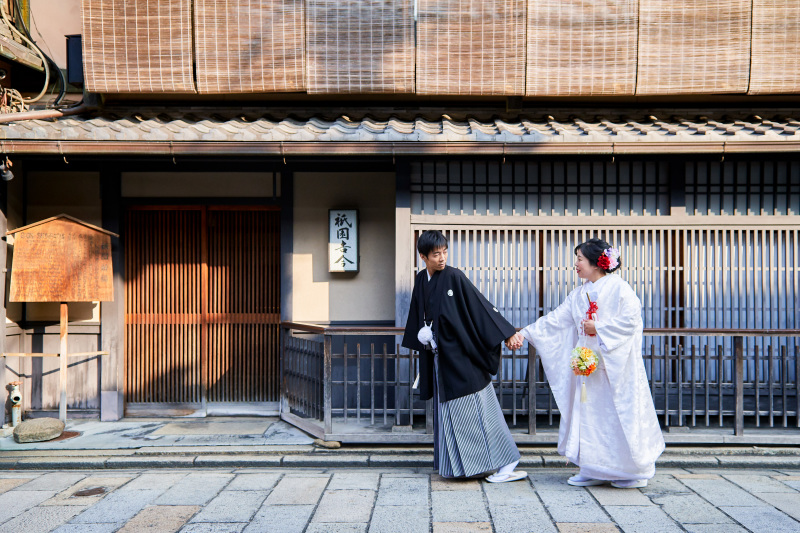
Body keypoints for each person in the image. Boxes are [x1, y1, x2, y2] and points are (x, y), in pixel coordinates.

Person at [507, 238, 664, 488]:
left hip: (615, 368)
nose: (576, 264)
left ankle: (630, 471)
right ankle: (592, 467)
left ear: (596, 262)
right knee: (588, 415)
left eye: (580, 259)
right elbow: (555, 320)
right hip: (587, 366)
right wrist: (524, 333)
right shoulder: (579, 294)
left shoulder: (620, 289)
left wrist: (598, 327)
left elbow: (631, 321)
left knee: (617, 415)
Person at [402, 230, 527, 483]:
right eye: (436, 254)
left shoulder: (454, 276)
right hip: (441, 360)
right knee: (450, 414)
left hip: (462, 357)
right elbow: (419, 315)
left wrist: (506, 333)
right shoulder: (420, 280)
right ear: (423, 257)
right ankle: (459, 467)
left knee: (479, 411)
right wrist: (424, 333)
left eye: (445, 252)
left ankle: (508, 460)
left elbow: (480, 307)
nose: (442, 258)